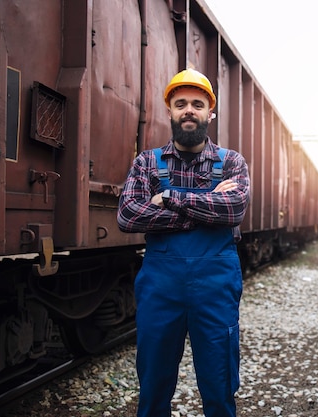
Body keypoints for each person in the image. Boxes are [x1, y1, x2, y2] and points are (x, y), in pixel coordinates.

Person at [117, 68, 250, 417]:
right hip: (161, 287)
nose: (188, 110)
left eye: (197, 103)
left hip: (215, 287)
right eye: (180, 104)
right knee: (153, 385)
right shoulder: (147, 162)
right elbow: (129, 216)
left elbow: (234, 209)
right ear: (170, 111)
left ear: (211, 112)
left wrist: (169, 197)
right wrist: (208, 210)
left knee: (219, 382)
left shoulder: (231, 162)